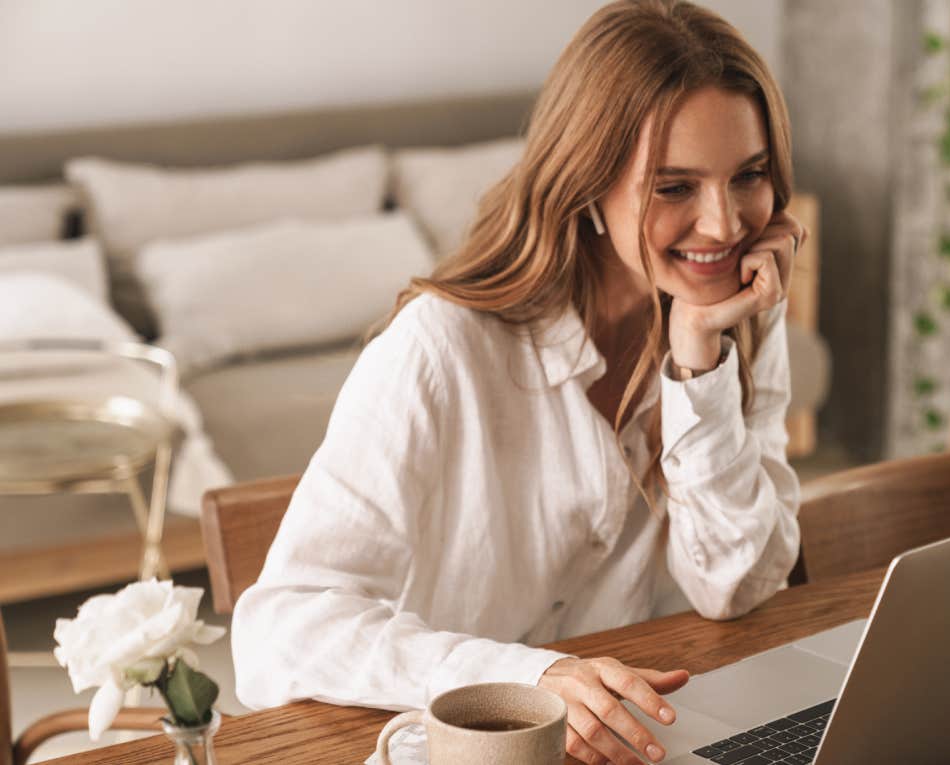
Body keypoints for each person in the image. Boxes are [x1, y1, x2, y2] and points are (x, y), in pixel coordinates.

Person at [232, 2, 805, 763]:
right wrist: (531, 679)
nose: (725, 225)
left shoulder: (733, 317)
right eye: (674, 187)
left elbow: (735, 587)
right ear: (587, 181)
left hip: (652, 738)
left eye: (749, 176)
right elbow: (280, 628)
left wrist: (698, 363)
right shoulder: (441, 349)